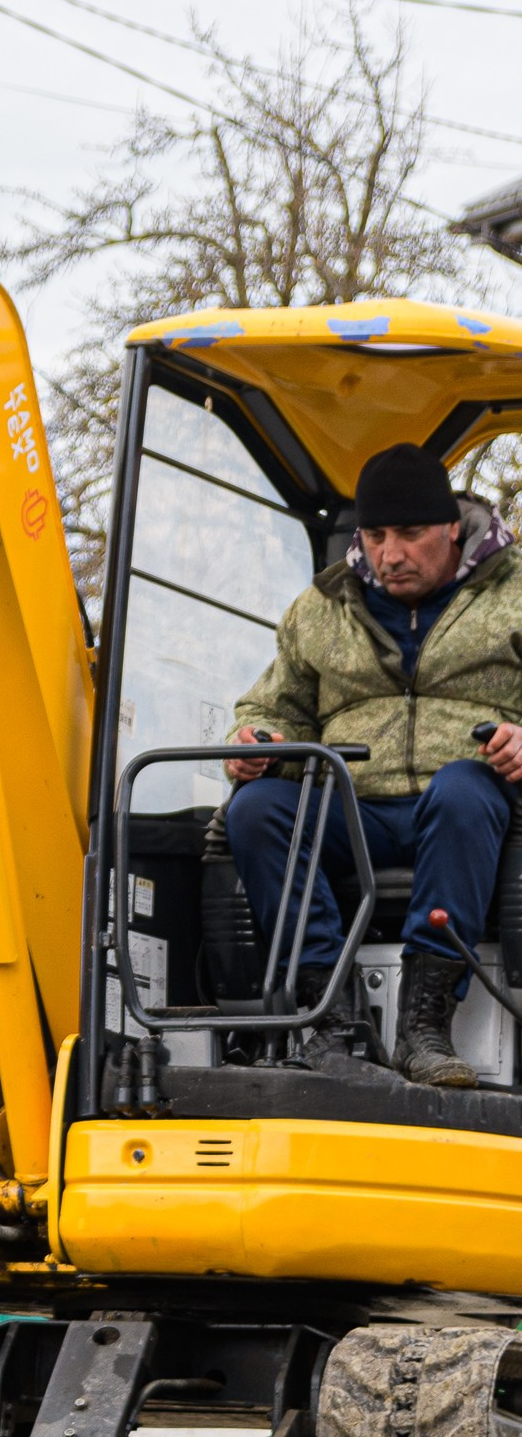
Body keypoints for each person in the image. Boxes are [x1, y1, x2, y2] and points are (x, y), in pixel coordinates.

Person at [225, 441, 522, 1088]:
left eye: (410, 534)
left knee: (463, 790)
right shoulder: (321, 608)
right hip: (351, 807)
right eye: (375, 535)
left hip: (471, 803)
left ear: (451, 527)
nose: (389, 554)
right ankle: (332, 1020)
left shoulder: (513, 592)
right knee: (257, 810)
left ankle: (423, 1027)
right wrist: (256, 738)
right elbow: (275, 705)